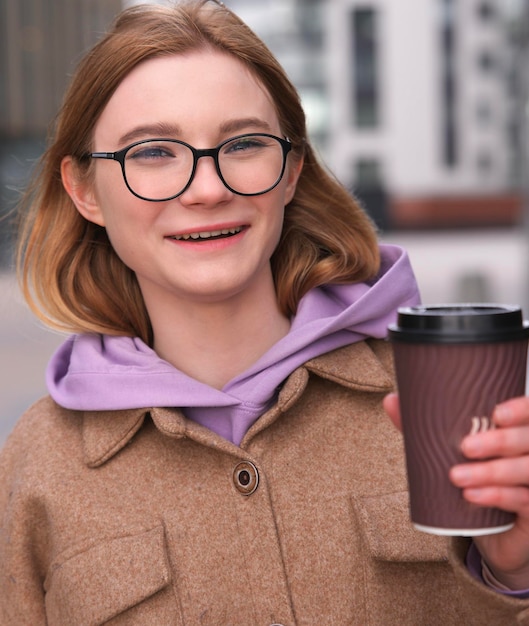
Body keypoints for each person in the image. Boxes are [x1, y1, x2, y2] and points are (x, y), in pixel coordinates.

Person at [1, 1, 529, 623]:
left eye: (244, 143)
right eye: (152, 152)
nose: (207, 189)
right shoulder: (36, 466)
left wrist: (515, 574)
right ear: (84, 189)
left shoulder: (442, 398)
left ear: (291, 170)